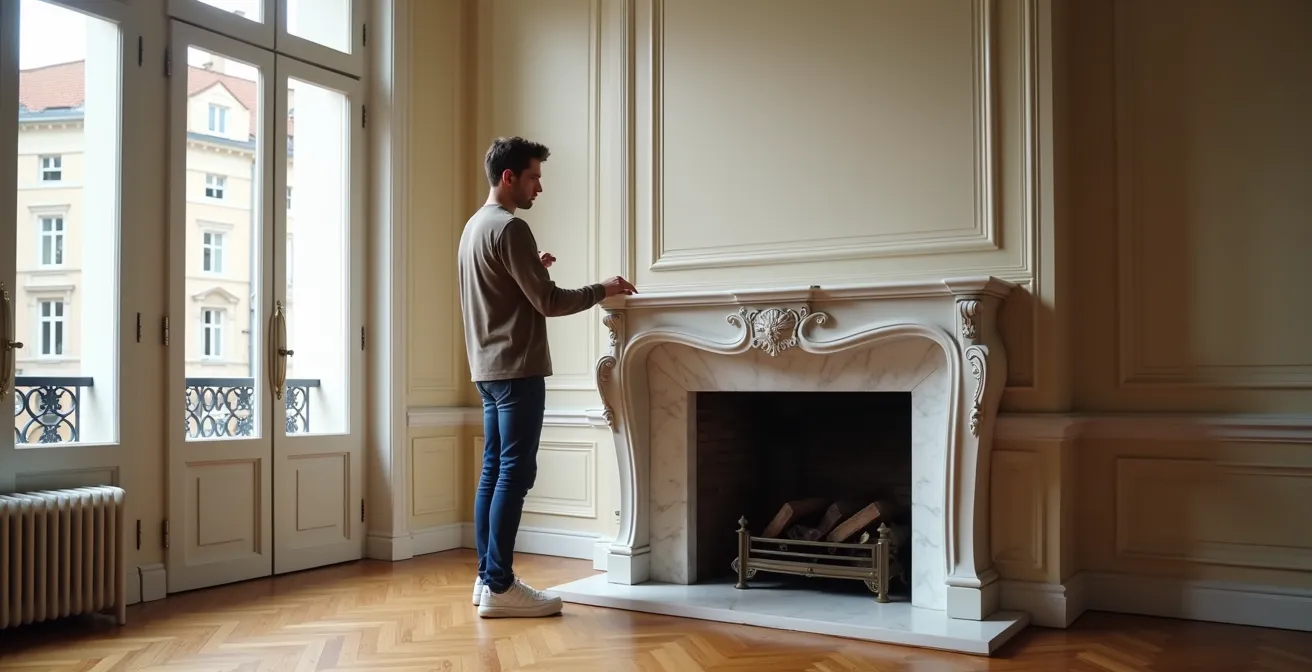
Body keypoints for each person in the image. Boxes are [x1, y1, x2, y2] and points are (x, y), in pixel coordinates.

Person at [458, 136, 637, 618]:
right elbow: (550, 303)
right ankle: (500, 586)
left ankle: (485, 579)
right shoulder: (511, 228)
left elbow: (499, 291)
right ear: (509, 177)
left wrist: (531, 272)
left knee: (494, 472)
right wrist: (602, 289)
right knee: (514, 474)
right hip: (518, 369)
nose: (540, 186)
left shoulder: (474, 228)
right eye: (534, 176)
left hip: (487, 369)